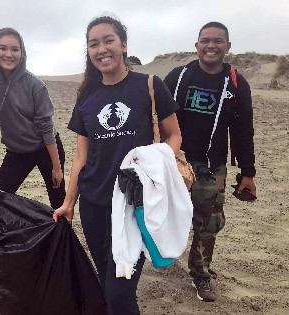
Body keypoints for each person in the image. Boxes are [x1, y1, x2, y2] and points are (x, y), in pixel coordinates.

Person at [53, 15, 182, 315]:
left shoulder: (150, 85)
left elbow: (174, 135)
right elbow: (81, 157)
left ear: (123, 45)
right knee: (107, 284)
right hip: (95, 203)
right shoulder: (87, 97)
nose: (102, 49)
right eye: (93, 44)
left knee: (119, 291)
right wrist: (69, 202)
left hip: (136, 204)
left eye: (108, 40)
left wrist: (155, 162)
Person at [0, 27, 66, 295]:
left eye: (15, 49)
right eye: (3, 48)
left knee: (60, 205)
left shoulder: (34, 85)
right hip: (17, 152)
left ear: (22, 53)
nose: (9, 54)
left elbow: (47, 127)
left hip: (46, 149)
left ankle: (63, 256)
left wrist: (56, 167)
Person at [164, 21, 257, 302]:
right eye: (205, 40)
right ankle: (153, 259)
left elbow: (243, 131)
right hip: (174, 162)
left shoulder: (237, 84)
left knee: (208, 223)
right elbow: (153, 117)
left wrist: (247, 172)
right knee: (161, 215)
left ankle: (200, 274)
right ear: (197, 45)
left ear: (228, 47)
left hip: (211, 167)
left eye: (218, 41)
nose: (211, 46)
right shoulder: (178, 77)